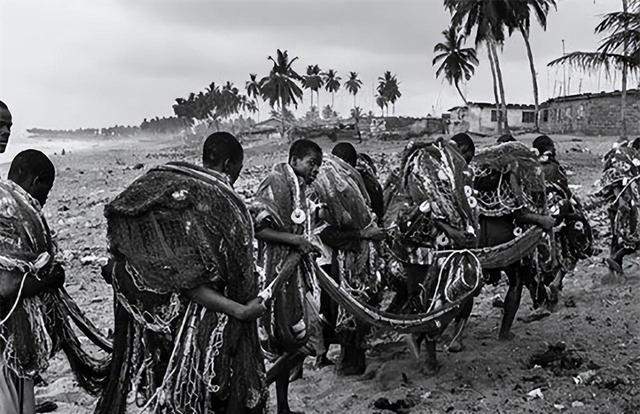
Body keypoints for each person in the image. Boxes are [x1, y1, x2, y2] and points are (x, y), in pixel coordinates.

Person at [97, 132, 268, 414]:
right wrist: (241, 310)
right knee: (203, 392)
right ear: (229, 164)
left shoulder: (167, 185)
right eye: (237, 169)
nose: (236, 176)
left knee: (164, 385)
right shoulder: (220, 202)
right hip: (200, 322)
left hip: (152, 318)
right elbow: (212, 280)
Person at [384, 137, 481, 374]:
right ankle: (426, 356)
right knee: (426, 300)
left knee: (441, 298)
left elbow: (460, 208)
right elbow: (423, 211)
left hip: (439, 249)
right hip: (417, 249)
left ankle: (420, 345)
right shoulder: (420, 172)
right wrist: (453, 231)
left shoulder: (451, 176)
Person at [250, 139, 324, 414]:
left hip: (296, 274)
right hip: (276, 274)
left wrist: (303, 242)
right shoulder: (275, 182)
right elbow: (258, 229)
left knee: (292, 342)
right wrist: (297, 242)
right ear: (294, 160)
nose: (315, 169)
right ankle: (260, 388)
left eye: (318, 165)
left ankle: (282, 406)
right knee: (300, 342)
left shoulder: (301, 189)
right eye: (311, 163)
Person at [311, 142, 387, 375]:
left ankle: (348, 360)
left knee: (344, 306)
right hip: (365, 254)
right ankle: (353, 357)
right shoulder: (367, 183)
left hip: (345, 257)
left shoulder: (334, 186)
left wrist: (359, 234)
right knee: (361, 303)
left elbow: (325, 230)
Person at [0, 150, 65, 413]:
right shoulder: (11, 213)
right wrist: (49, 281)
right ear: (36, 181)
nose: (44, 201)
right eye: (45, 192)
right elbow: (4, 288)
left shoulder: (12, 206)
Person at [473, 141, 555, 340]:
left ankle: (456, 336)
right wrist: (542, 220)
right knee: (516, 282)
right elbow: (519, 214)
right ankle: (504, 332)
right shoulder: (509, 178)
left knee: (470, 284)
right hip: (505, 240)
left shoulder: (478, 179)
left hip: (480, 238)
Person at [532, 135, 592, 303]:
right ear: (549, 148)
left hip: (537, 217)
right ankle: (557, 282)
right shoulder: (555, 168)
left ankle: (545, 292)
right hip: (558, 216)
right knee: (571, 246)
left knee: (541, 256)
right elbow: (565, 193)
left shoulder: (530, 168)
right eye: (553, 146)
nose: (556, 149)